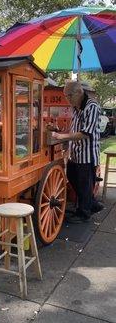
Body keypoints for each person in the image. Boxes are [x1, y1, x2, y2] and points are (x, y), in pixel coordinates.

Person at [51, 80, 104, 223]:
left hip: (88, 154)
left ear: (79, 92)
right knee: (72, 176)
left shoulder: (92, 107)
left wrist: (63, 136)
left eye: (69, 96)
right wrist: (60, 132)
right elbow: (74, 129)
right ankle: (91, 203)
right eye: (66, 96)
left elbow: (85, 133)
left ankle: (84, 213)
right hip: (76, 152)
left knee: (84, 184)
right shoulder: (75, 107)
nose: (67, 99)